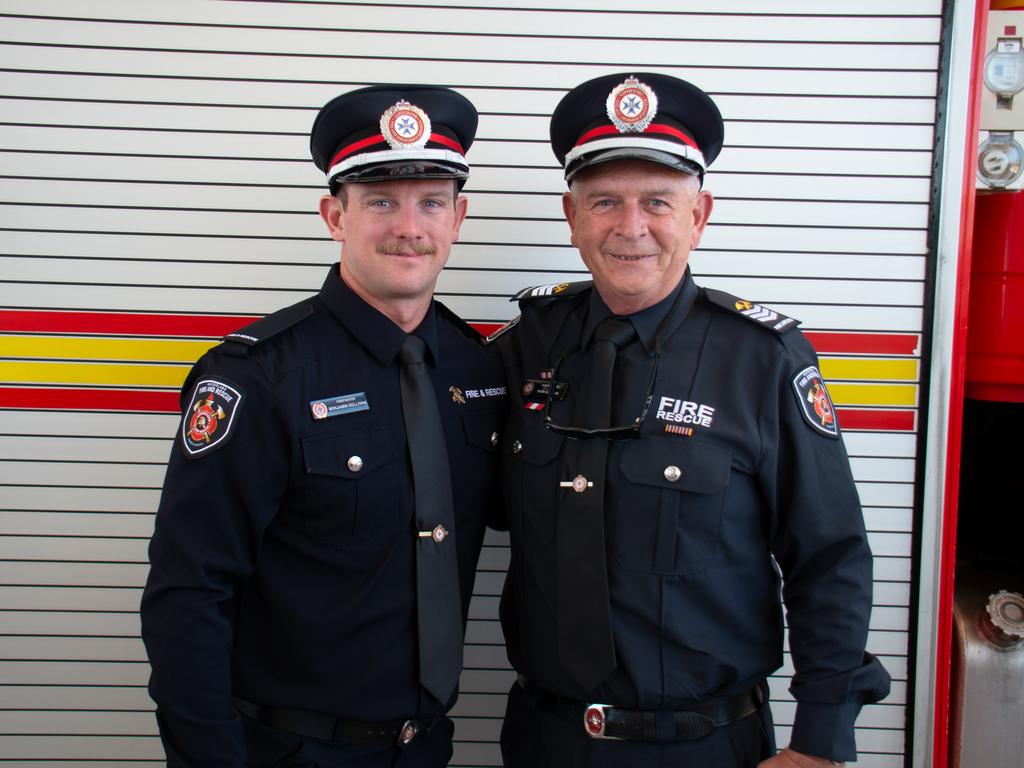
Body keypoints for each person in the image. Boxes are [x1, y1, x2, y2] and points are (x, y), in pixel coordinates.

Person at [492, 72, 891, 768]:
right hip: (544, 739)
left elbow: (828, 555)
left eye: (657, 202)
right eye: (605, 202)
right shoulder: (521, 347)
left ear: (699, 214)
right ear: (571, 215)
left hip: (708, 746)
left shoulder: (762, 359)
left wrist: (822, 740)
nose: (630, 227)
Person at [141, 84, 507, 767]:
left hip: (427, 748)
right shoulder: (258, 378)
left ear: (457, 217)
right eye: (380, 203)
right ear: (333, 215)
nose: (409, 227)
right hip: (288, 751)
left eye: (431, 202)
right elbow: (187, 594)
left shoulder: (474, 367)